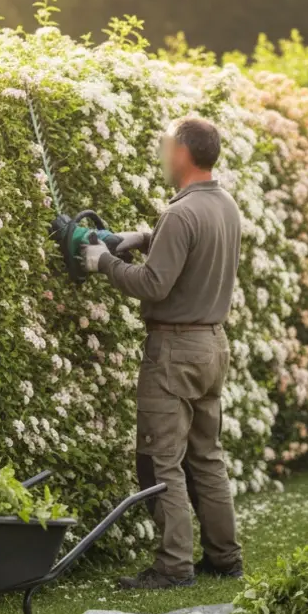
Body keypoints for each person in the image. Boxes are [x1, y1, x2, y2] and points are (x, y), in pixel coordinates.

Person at [82, 117, 244, 590]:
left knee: (159, 460)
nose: (163, 153)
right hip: (212, 343)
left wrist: (104, 261)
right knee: (206, 456)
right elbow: (188, 250)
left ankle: (173, 567)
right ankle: (225, 557)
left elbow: (153, 282)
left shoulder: (181, 212)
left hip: (174, 348)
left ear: (183, 154)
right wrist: (142, 238)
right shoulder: (224, 205)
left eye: (167, 145)